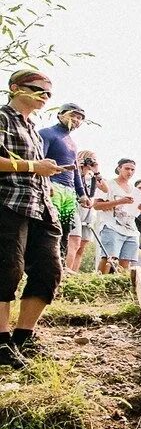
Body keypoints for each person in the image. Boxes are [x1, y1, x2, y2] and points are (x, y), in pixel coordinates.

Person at [0, 70, 66, 367]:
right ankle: (1, 343)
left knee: (49, 270)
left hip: (41, 206)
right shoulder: (3, 118)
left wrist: (46, 175)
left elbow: (34, 168)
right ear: (15, 88)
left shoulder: (33, 127)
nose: (44, 97)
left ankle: (22, 340)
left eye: (49, 93)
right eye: (38, 90)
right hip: (8, 202)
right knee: (7, 270)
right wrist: (30, 166)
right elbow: (25, 166)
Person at [37, 102, 88, 261]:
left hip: (69, 190)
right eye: (73, 115)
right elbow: (40, 161)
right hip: (53, 185)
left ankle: (61, 265)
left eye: (80, 118)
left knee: (66, 228)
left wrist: (82, 194)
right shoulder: (47, 134)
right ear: (60, 115)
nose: (76, 120)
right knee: (51, 225)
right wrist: (46, 182)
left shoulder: (72, 142)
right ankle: (44, 262)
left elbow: (75, 170)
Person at [92, 158, 141, 273]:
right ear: (119, 168)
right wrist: (120, 201)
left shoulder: (133, 189)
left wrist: (140, 208)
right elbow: (96, 205)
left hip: (130, 228)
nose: (129, 172)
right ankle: (100, 283)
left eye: (132, 170)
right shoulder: (109, 184)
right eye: (127, 168)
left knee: (126, 262)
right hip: (111, 226)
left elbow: (132, 210)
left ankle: (120, 287)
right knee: (109, 259)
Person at [66, 149, 105, 272]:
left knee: (82, 246)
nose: (90, 162)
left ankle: (74, 272)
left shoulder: (93, 177)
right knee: (74, 242)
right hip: (74, 208)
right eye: (88, 159)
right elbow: (71, 181)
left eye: (93, 160)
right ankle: (66, 272)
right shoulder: (74, 172)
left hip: (88, 212)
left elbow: (105, 189)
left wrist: (96, 171)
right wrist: (78, 166)